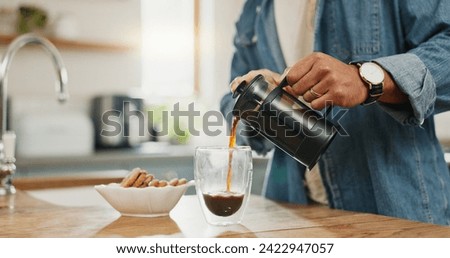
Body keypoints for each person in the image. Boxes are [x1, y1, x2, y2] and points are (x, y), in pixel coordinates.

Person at [220, 0, 450, 225]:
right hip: (295, 211)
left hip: (395, 210)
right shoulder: (255, 8)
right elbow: (232, 102)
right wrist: (257, 106)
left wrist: (367, 78)